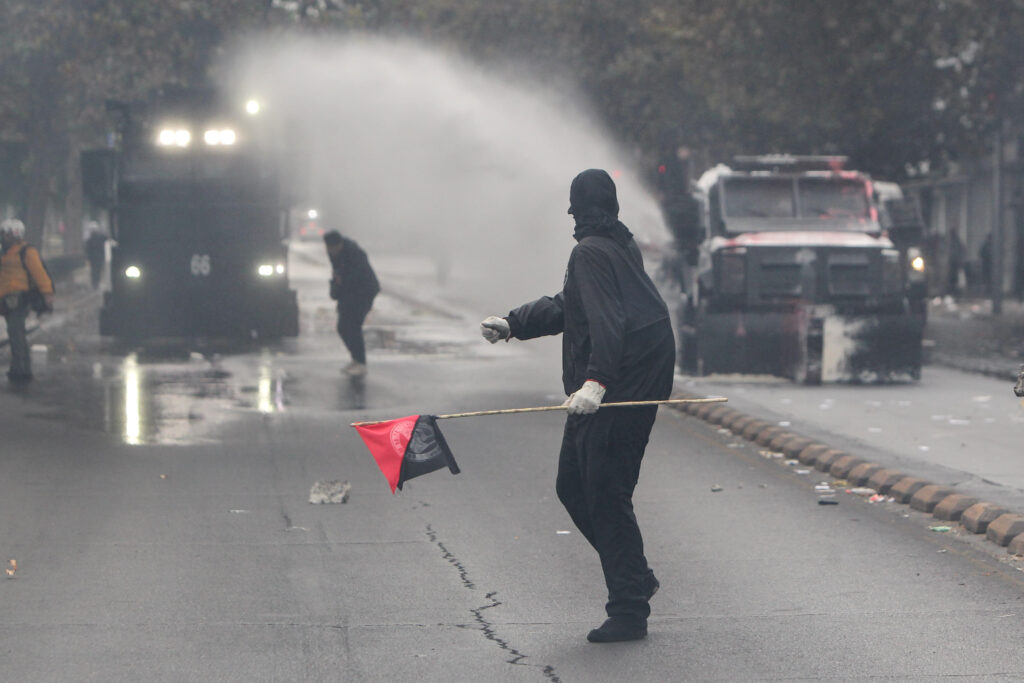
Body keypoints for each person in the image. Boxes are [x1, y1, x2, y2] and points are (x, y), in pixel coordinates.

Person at [479, 169, 675, 643]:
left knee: (605, 491)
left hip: (623, 386)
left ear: (577, 208)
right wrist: (513, 323)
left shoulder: (590, 251)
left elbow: (608, 323)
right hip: (632, 378)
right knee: (574, 485)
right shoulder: (616, 245)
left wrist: (596, 383)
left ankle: (628, 608)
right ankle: (634, 574)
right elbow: (572, 305)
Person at [0, 218, 53, 384]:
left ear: (14, 234)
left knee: (16, 332)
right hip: (6, 299)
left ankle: (21, 369)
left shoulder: (26, 252)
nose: (3, 236)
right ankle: (20, 367)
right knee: (15, 332)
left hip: (19, 299)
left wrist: (47, 293)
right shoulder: (5, 252)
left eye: (5, 233)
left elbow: (39, 273)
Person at [324, 230, 379, 377]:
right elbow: (337, 274)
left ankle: (361, 362)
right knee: (343, 327)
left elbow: (359, 277)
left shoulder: (354, 254)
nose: (330, 251)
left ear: (339, 244)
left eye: (332, 248)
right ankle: (356, 359)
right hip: (348, 293)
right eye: (328, 248)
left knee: (353, 326)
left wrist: (342, 281)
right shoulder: (334, 254)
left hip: (363, 292)